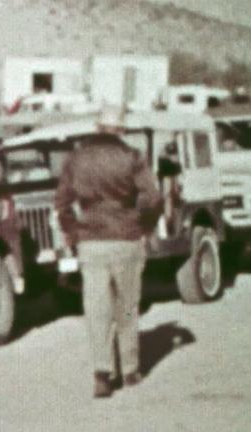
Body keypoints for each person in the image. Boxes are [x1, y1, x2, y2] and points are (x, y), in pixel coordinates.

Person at [54, 105, 163, 399]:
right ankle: (129, 370)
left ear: (97, 127)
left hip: (91, 241)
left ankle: (102, 374)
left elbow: (61, 202)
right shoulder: (132, 157)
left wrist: (74, 231)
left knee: (97, 309)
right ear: (121, 129)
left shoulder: (76, 159)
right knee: (127, 306)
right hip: (126, 238)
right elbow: (153, 198)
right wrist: (144, 225)